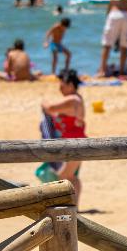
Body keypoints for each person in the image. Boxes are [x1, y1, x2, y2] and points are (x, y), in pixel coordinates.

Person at [41, 69, 86, 204]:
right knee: (71, 176)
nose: (60, 88)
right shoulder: (77, 98)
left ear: (71, 85)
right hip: (77, 142)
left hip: (75, 144)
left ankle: (73, 205)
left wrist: (43, 101)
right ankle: (75, 205)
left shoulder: (72, 100)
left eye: (62, 85)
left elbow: (50, 108)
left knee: (63, 175)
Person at [99, 0, 127, 76]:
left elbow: (110, 5)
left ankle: (102, 70)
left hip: (115, 13)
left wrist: (108, 15)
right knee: (124, 46)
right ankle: (122, 71)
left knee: (107, 44)